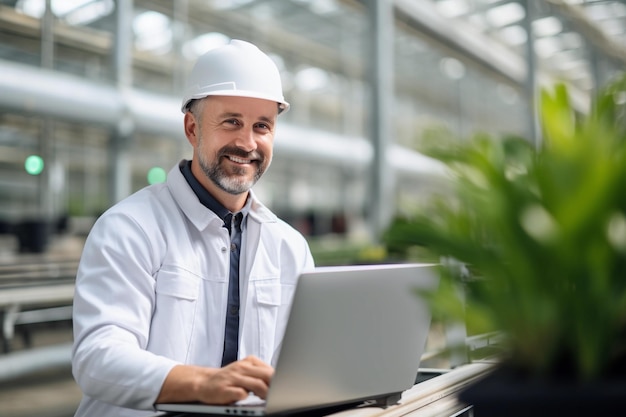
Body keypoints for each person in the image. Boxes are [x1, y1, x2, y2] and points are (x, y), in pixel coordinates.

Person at [71, 39, 315, 417]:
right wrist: (202, 384)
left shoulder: (290, 247)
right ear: (192, 128)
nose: (247, 142)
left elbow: (302, 370)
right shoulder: (129, 227)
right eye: (232, 121)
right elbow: (98, 357)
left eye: (262, 126)